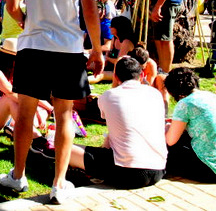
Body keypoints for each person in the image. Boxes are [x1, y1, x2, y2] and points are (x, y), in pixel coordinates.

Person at [0, 0, 104, 204]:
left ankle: (18, 176)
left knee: (24, 115)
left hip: (33, 44)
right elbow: (89, 9)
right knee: (64, 116)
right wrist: (97, 50)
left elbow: (11, 4)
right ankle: (59, 184)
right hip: (69, 47)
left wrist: (24, 21)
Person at [65, 57, 167, 189]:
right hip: (159, 169)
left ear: (115, 76)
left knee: (66, 148)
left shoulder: (109, 96)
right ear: (141, 75)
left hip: (127, 173)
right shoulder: (155, 94)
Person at [165, 67, 216, 182]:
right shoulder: (211, 96)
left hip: (213, 170)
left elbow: (171, 141)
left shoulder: (185, 103)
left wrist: (166, 128)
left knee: (167, 148)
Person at [0, 38, 52, 142]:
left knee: (43, 108)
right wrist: (35, 109)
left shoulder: (15, 71)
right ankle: (37, 138)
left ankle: (14, 129)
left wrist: (50, 108)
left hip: (9, 116)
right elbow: (11, 93)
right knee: (10, 99)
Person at [89, 16, 136, 84]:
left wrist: (107, 59)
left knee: (101, 75)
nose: (109, 27)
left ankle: (81, 83)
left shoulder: (126, 42)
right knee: (89, 64)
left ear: (118, 27)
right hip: (110, 65)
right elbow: (109, 52)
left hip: (121, 70)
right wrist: (104, 61)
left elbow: (119, 62)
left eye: (112, 26)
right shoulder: (115, 38)